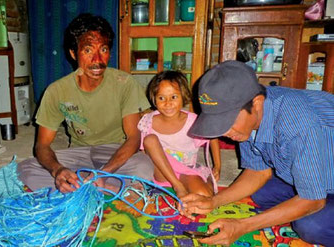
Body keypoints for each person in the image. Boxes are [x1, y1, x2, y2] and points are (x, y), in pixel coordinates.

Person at [180, 60, 334, 246]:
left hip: (324, 183)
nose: (224, 133)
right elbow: (258, 171)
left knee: (311, 225)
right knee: (263, 193)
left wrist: (243, 226)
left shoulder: (297, 122)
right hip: (322, 175)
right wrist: (214, 201)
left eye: (227, 122)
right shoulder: (252, 116)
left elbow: (313, 201)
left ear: (257, 104)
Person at [18, 13, 154, 193]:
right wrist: (58, 170)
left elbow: (134, 139)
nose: (97, 60)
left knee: (144, 165)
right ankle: (109, 190)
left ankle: (83, 188)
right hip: (78, 153)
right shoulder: (57, 90)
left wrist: (104, 172)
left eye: (103, 50)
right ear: (73, 53)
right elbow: (42, 145)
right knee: (25, 168)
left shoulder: (124, 83)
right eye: (88, 50)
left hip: (115, 151)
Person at [137, 71, 221, 198]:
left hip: (185, 171)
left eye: (174, 97)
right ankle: (177, 186)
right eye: (161, 98)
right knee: (150, 140)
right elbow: (144, 151)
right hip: (161, 172)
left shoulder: (193, 121)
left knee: (204, 195)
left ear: (183, 96)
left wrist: (218, 166)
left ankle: (193, 182)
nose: (168, 103)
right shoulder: (148, 121)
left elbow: (213, 137)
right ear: (154, 99)